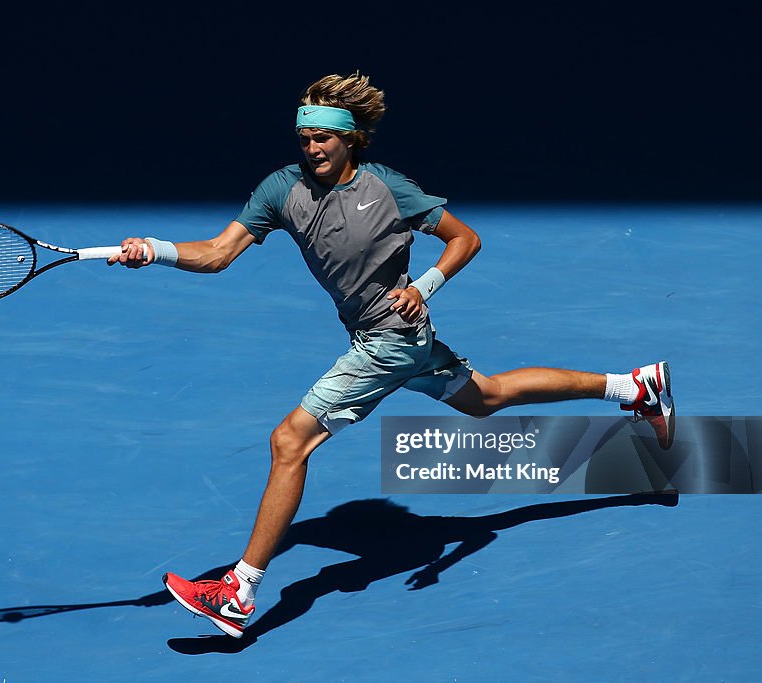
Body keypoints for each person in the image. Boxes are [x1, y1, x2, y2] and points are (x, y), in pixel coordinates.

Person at [108, 73, 675, 639]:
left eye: (323, 138)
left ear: (351, 137)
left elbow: (465, 239)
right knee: (488, 398)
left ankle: (239, 592)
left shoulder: (387, 189)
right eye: (303, 138)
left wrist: (422, 286)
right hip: (381, 336)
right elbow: (216, 252)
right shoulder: (281, 188)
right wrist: (152, 250)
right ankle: (634, 388)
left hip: (392, 338)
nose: (312, 149)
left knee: (289, 441)